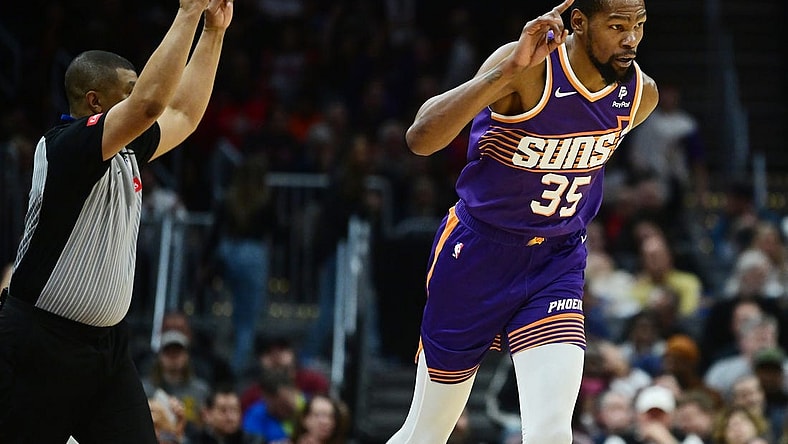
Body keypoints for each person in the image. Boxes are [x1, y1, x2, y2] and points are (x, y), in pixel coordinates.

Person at [387, 0, 659, 442]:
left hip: (558, 260)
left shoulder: (641, 94)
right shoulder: (529, 67)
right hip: (477, 255)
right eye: (617, 26)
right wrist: (505, 73)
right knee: (427, 432)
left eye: (639, 25)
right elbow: (420, 139)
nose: (631, 39)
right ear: (578, 23)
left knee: (552, 431)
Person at [0, 1, 234, 442]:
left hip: (106, 349)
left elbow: (182, 115)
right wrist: (187, 13)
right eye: (131, 88)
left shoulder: (126, 151)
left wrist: (213, 32)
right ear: (95, 102)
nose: (149, 93)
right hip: (40, 344)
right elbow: (150, 105)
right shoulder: (65, 147)